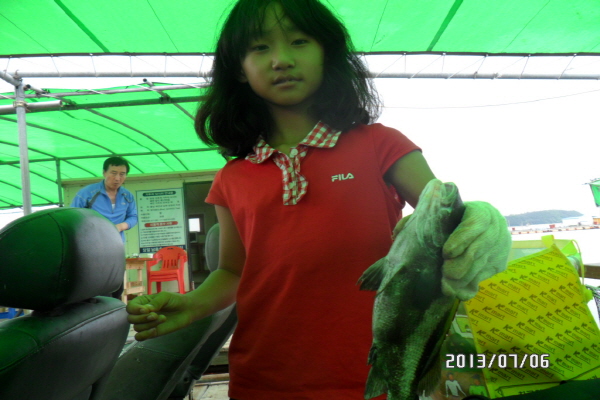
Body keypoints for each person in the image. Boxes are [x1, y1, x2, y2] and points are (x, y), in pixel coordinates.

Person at [126, 1, 511, 399]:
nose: (281, 59)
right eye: (260, 47)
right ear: (239, 69)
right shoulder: (231, 178)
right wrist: (191, 305)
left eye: (299, 41)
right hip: (261, 380)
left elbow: (445, 221)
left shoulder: (381, 144)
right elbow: (233, 272)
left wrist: (483, 222)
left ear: (327, 53)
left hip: (373, 377)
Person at [71, 156, 138, 298]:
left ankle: (115, 310)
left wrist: (121, 226)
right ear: (104, 172)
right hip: (93, 248)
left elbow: (134, 217)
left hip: (117, 246)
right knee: (100, 286)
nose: (117, 178)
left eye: (122, 174)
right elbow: (73, 217)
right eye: (113, 173)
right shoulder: (86, 193)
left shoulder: (127, 196)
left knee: (117, 286)